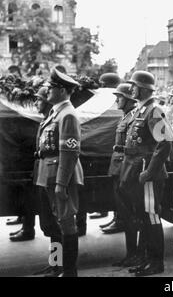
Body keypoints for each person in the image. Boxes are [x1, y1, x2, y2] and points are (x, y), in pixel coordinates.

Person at [118, 70, 172, 276]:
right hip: (136, 172)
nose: (131, 89)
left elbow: (165, 143)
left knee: (152, 218)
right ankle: (148, 259)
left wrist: (150, 172)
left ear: (142, 88)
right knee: (144, 217)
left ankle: (157, 263)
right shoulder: (141, 110)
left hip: (147, 174)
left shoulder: (154, 111)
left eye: (134, 85)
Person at [34, 67, 84, 277]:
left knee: (66, 223)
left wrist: (61, 184)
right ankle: (56, 265)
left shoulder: (68, 115)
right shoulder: (56, 112)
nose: (47, 92)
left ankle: (69, 271)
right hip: (48, 173)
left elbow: (70, 152)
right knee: (53, 226)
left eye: (52, 88)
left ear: (62, 91)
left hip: (61, 175)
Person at [9, 88, 52, 242]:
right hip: (41, 171)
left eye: (38, 99)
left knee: (55, 226)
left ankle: (59, 264)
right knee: (50, 226)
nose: (35, 103)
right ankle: (56, 263)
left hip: (50, 176)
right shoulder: (44, 120)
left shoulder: (60, 118)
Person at [101, 84, 137, 235]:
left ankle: (133, 254)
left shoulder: (133, 117)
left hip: (125, 167)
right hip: (118, 166)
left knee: (129, 212)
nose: (116, 100)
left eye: (119, 97)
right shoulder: (125, 116)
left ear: (129, 98)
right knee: (122, 206)